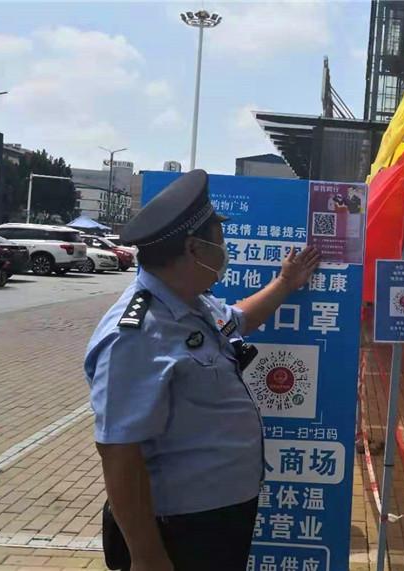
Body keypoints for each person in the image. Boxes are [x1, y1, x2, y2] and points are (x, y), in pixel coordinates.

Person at [84, 170, 320, 571]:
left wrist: (285, 282)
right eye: (219, 240)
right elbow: (118, 451)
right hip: (182, 528)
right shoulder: (135, 335)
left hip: (220, 516)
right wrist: (147, 557)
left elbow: (240, 320)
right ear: (194, 249)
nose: (224, 250)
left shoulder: (194, 303)